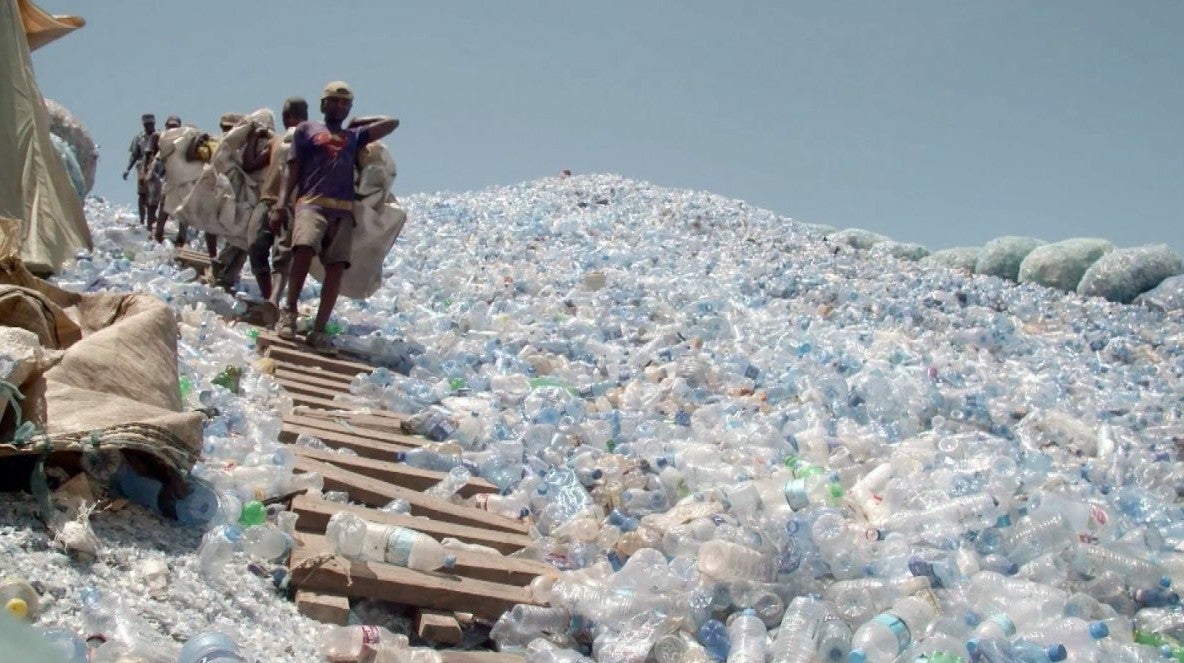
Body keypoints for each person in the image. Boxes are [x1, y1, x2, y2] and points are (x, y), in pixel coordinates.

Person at [271, 81, 397, 354]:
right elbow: (291, 170)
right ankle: (289, 313)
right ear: (323, 104)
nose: (339, 106)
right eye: (334, 101)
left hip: (343, 209)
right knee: (303, 248)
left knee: (336, 268)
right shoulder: (307, 130)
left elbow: (392, 123)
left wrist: (358, 121)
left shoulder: (354, 136)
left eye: (345, 102)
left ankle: (319, 329)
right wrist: (281, 204)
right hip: (311, 203)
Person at [247, 97, 308, 318]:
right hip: (267, 200)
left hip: (293, 203)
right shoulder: (276, 140)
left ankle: (273, 300)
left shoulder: (309, 139)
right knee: (255, 246)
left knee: (282, 253)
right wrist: (255, 137)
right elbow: (250, 164)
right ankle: (269, 302)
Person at [122, 113, 159, 227]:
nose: (148, 126)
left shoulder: (160, 135)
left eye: (150, 124)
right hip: (142, 167)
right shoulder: (139, 137)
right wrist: (127, 169)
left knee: (155, 196)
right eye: (146, 124)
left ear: (154, 123)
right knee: (142, 195)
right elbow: (134, 155)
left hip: (157, 167)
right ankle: (143, 220)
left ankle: (153, 221)